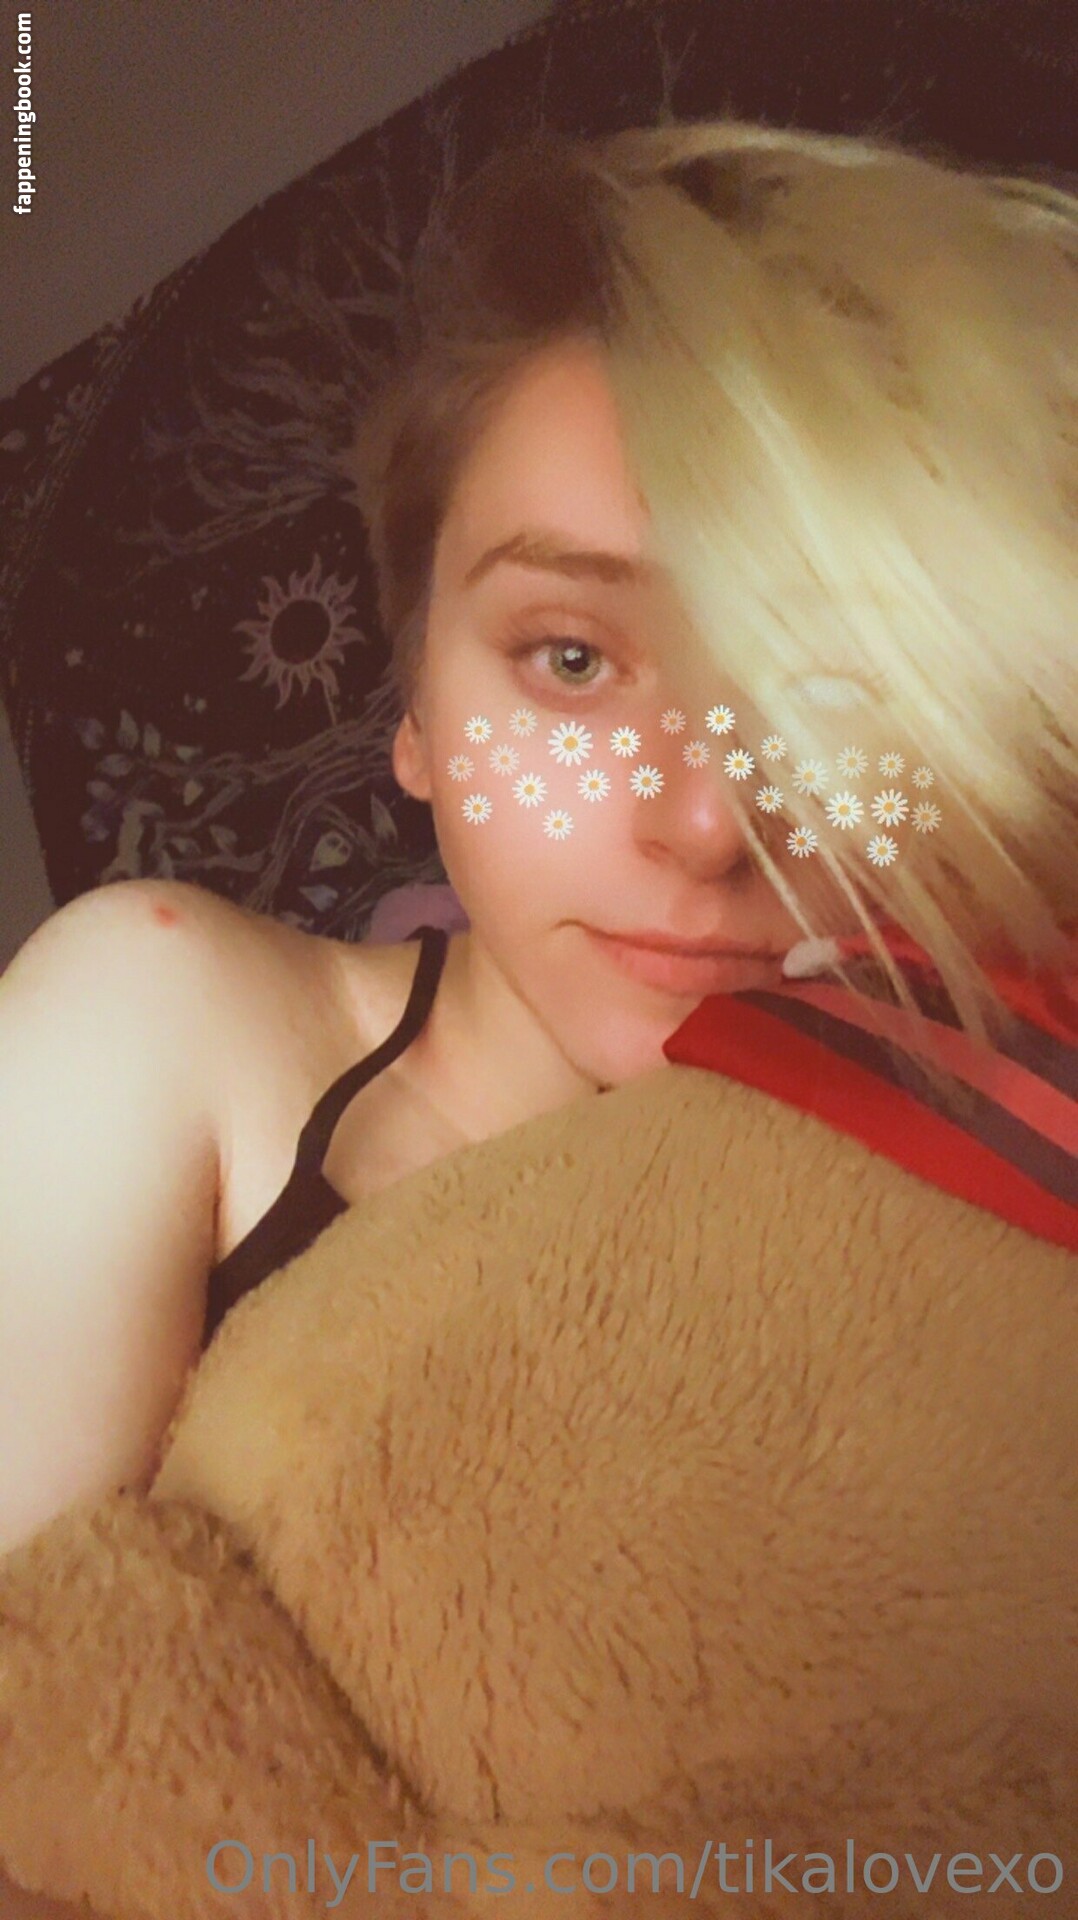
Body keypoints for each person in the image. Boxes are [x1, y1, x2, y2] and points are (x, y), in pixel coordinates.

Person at [1, 118, 1075, 1562]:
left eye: (842, 691)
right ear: (417, 705)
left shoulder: (1010, 1116)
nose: (704, 821)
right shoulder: (158, 1026)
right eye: (571, 660)